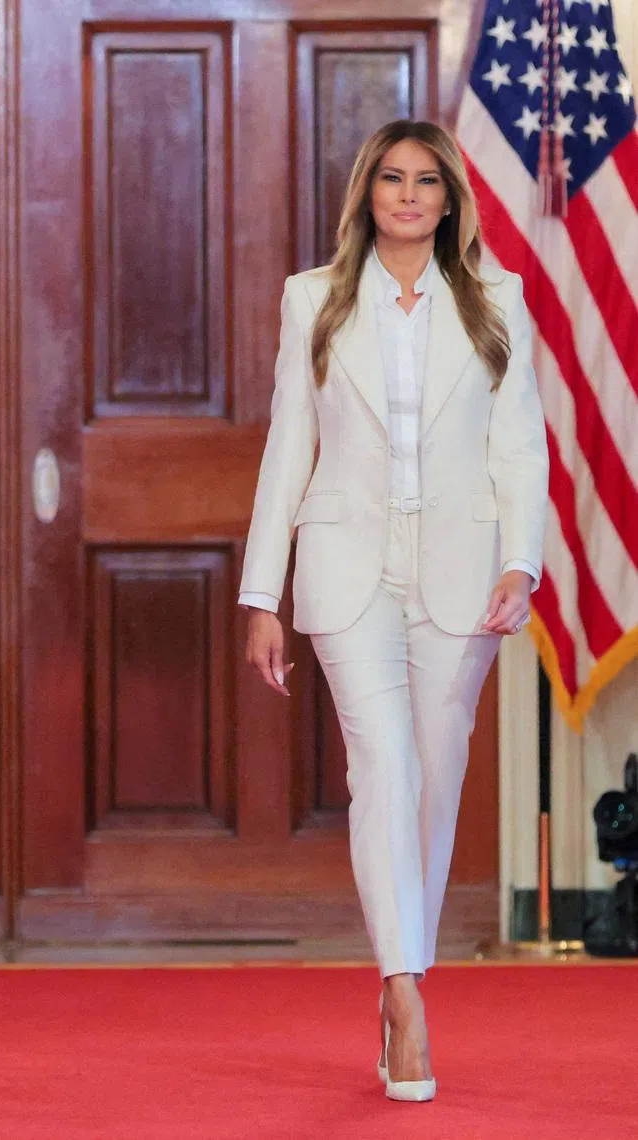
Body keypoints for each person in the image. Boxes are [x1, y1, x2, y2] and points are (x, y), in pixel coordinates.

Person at [239, 120, 548, 1102]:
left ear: (450, 199)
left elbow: (521, 446)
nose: (408, 196)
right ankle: (403, 989)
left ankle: (398, 965)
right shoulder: (313, 298)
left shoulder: (498, 299)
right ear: (367, 193)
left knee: (433, 778)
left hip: (463, 569)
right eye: (390, 179)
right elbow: (288, 447)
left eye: (426, 181)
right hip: (345, 567)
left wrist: (521, 562)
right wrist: (262, 594)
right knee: (380, 767)